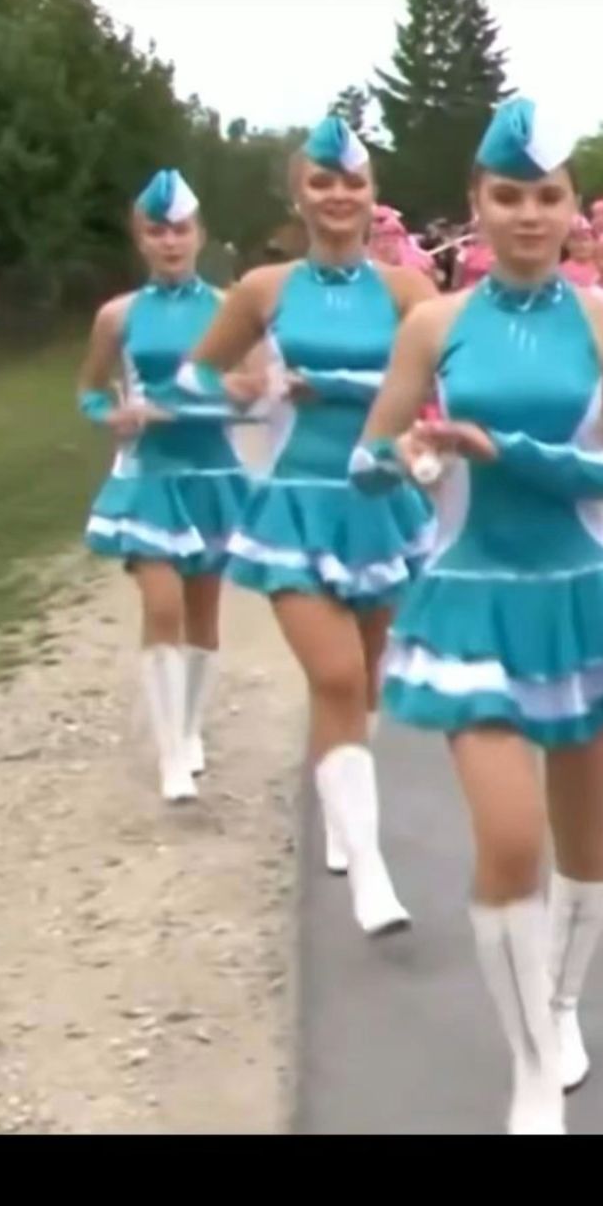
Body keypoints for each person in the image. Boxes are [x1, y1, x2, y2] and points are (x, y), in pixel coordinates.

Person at [354, 97, 603, 1135]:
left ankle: (562, 1003)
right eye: (507, 196)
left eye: (546, 196)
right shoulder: (434, 325)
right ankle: (531, 1071)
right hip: (471, 598)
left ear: (573, 207)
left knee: (588, 839)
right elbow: (368, 460)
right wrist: (402, 458)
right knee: (509, 835)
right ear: (477, 204)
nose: (528, 215)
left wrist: (511, 452)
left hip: (583, 596)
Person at [165, 114, 436, 938]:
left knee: (369, 674)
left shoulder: (407, 291)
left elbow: (441, 387)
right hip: (296, 504)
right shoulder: (266, 289)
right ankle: (371, 871)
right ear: (299, 197)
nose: (338, 194)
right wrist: (255, 392)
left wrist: (396, 420)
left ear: (373, 194)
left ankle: (344, 812)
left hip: (381, 502)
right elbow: (192, 379)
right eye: (322, 181)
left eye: (353, 181)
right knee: (337, 676)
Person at [77, 169, 254, 803]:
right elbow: (90, 391)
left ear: (200, 235)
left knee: (204, 611)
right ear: (141, 239)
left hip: (212, 474)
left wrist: (187, 405)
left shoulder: (231, 309)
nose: (170, 242)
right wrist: (112, 415)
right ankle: (170, 753)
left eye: (180, 230)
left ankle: (190, 724)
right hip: (149, 475)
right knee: (161, 607)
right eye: (158, 231)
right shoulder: (118, 315)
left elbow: (252, 395)